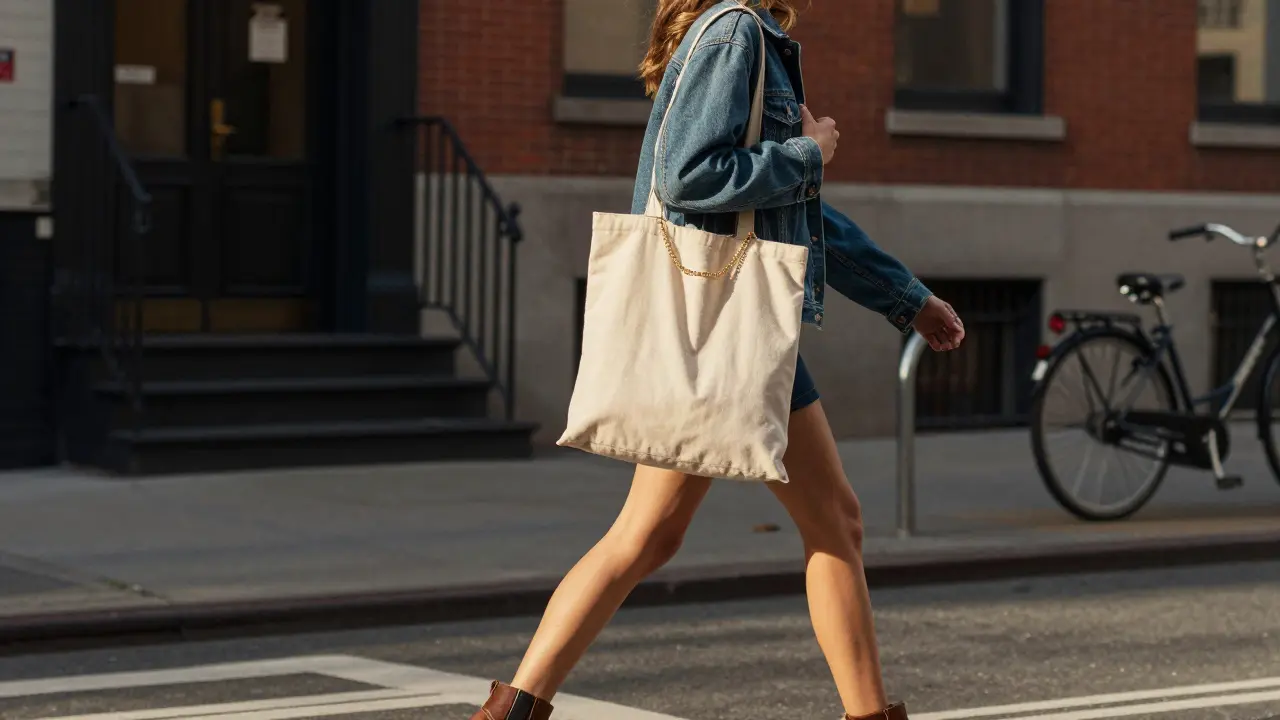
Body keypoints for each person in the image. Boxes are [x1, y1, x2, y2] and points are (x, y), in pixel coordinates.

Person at [469, 2, 965, 719]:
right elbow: (689, 175)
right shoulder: (737, 33)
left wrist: (902, 295)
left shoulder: (745, 35)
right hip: (729, 329)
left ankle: (514, 710)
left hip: (729, 328)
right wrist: (811, 152)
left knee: (657, 535)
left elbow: (792, 213)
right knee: (825, 523)